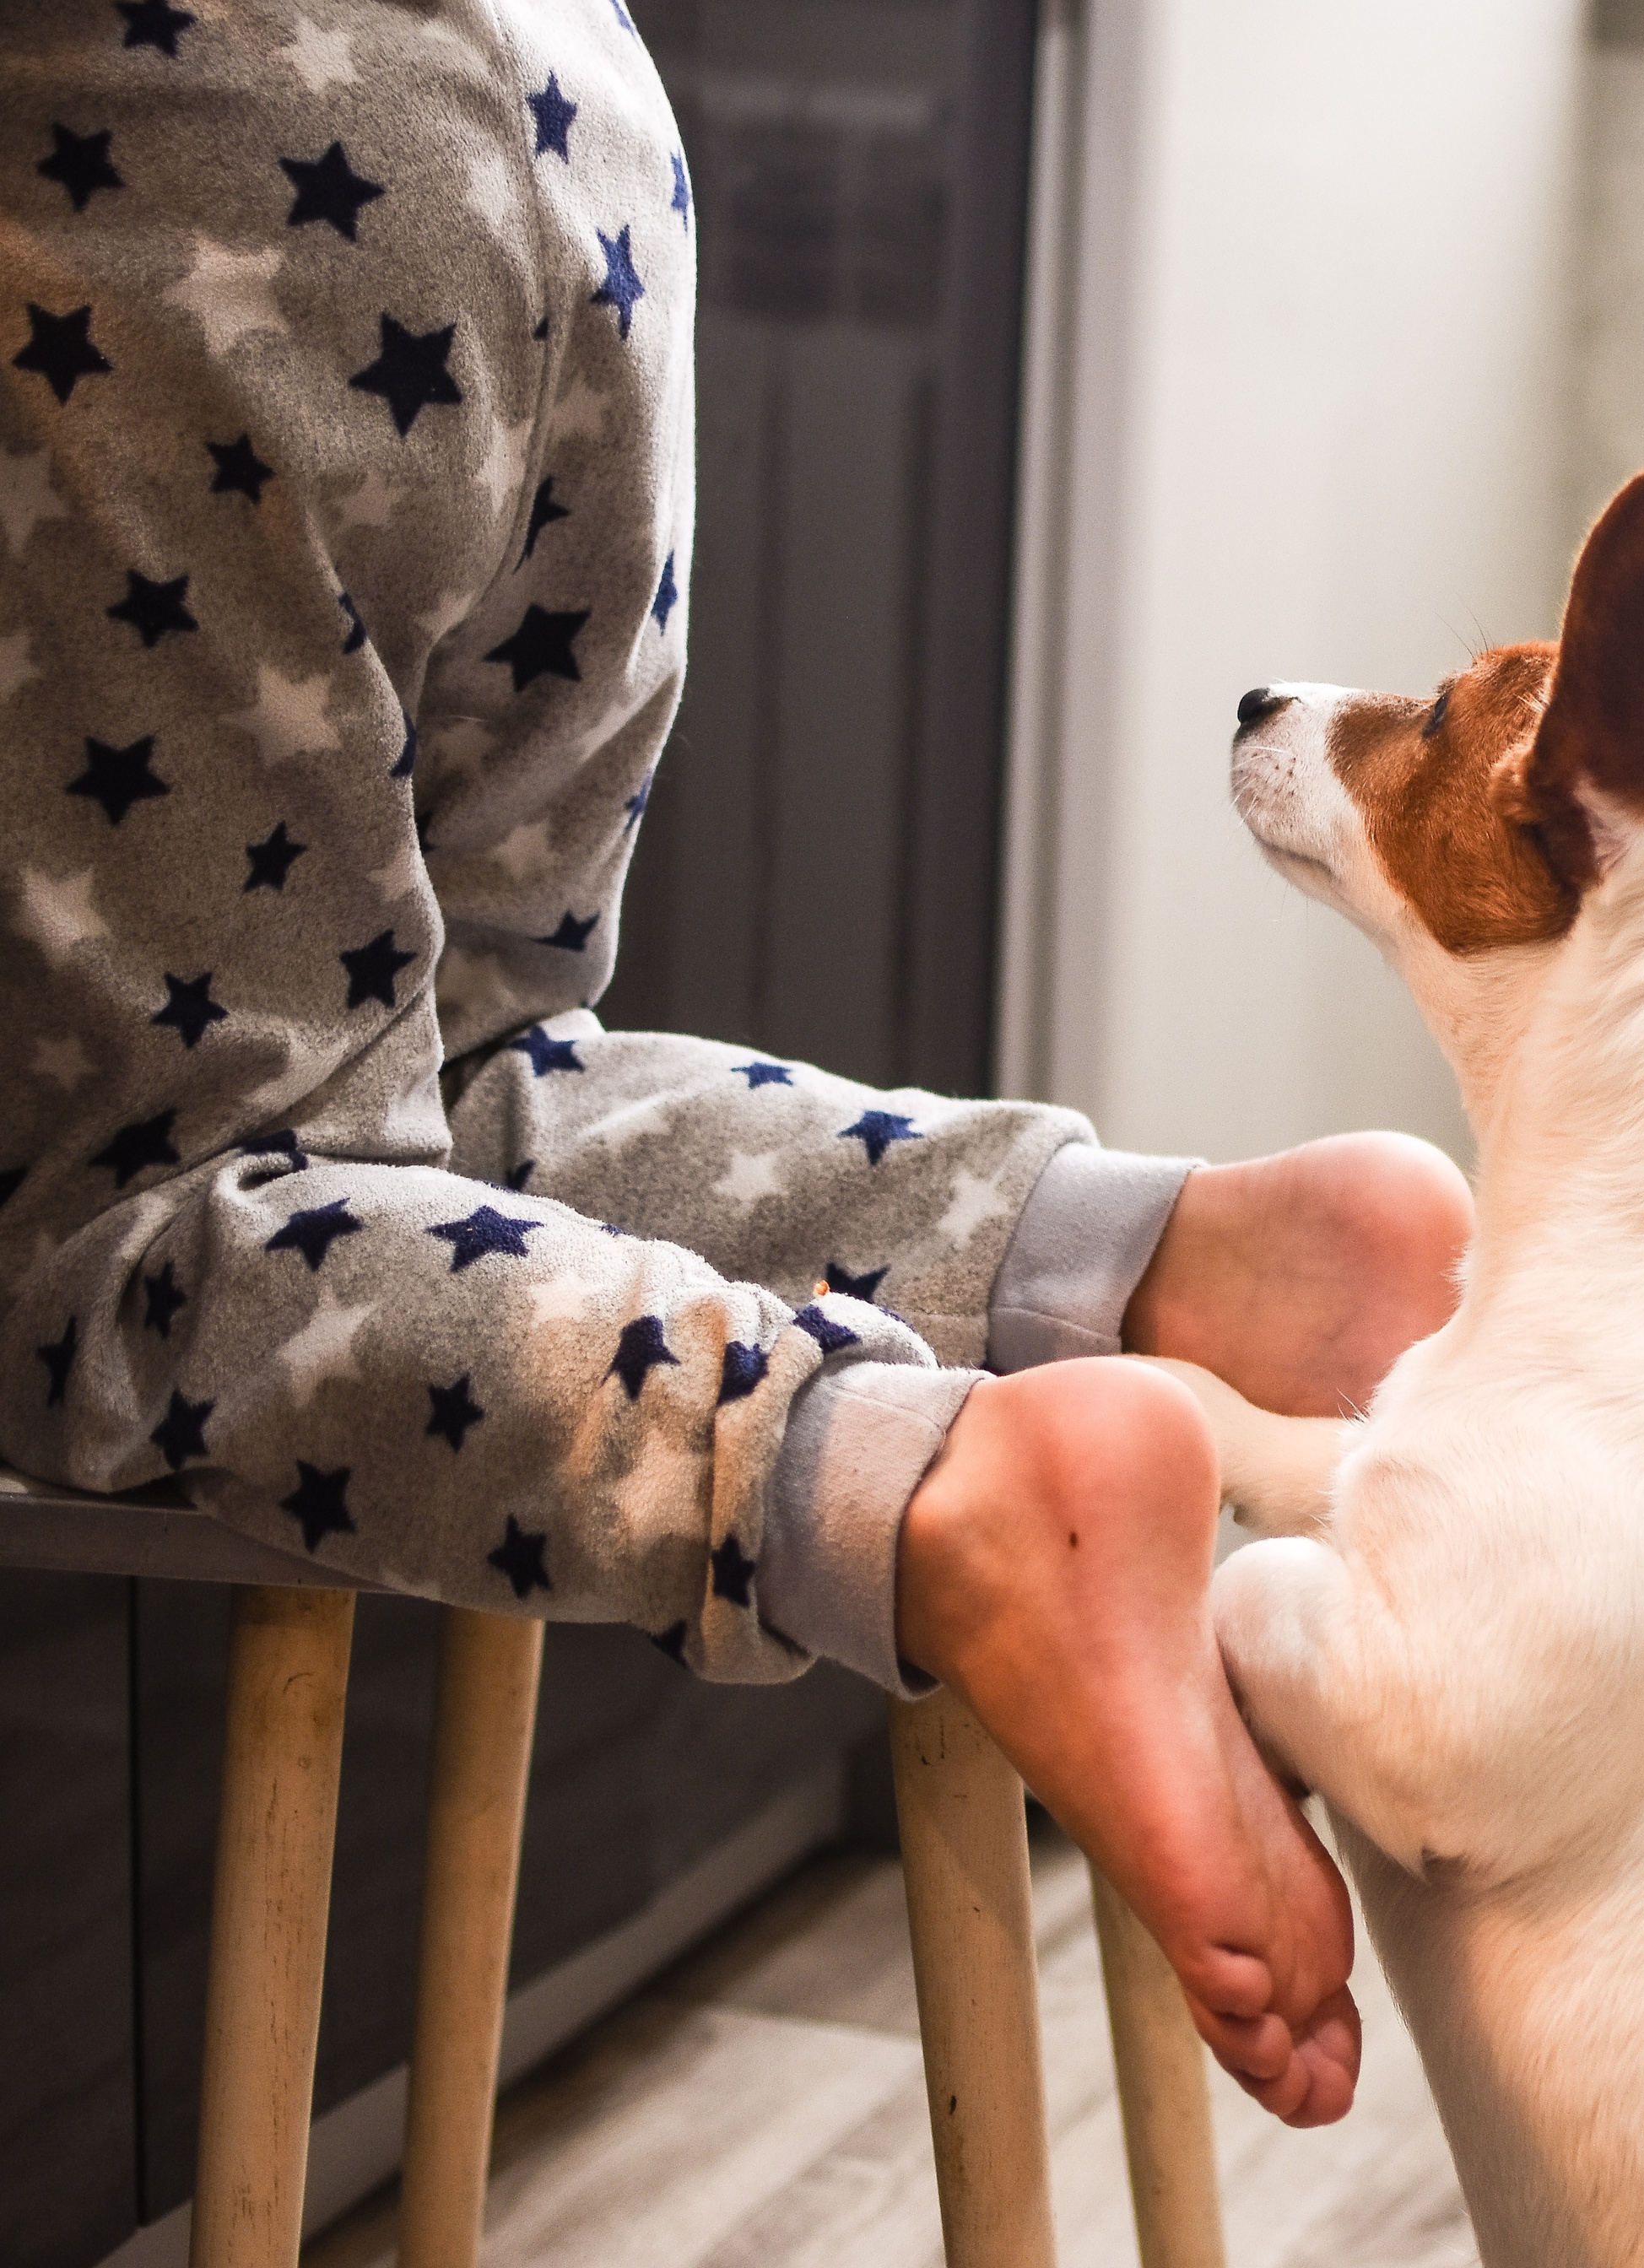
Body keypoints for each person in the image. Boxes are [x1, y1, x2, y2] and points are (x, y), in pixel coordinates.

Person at [0, 0, 1470, 2122]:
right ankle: (1117, 1257)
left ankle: (922, 1484)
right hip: (546, 114)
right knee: (464, 1068)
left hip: (165, 160)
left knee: (140, 1215)